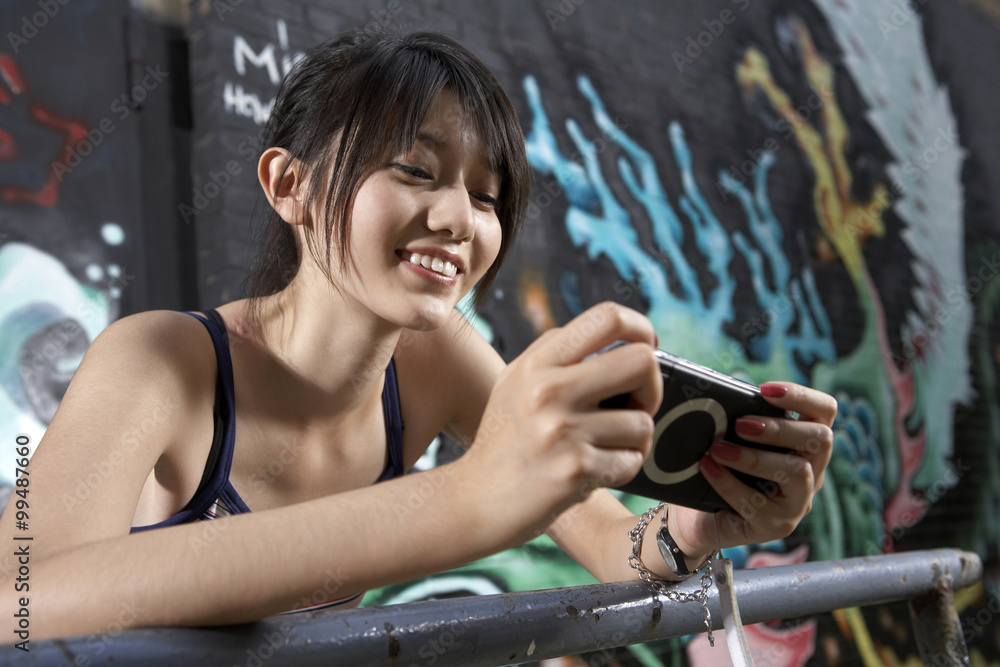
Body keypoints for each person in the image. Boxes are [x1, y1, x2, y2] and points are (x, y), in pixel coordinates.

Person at [0, 31, 835, 642]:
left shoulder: (438, 359)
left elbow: (613, 547)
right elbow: (19, 600)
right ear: (288, 185)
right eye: (415, 170)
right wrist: (466, 500)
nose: (458, 220)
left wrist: (688, 533)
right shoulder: (158, 360)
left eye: (487, 194)